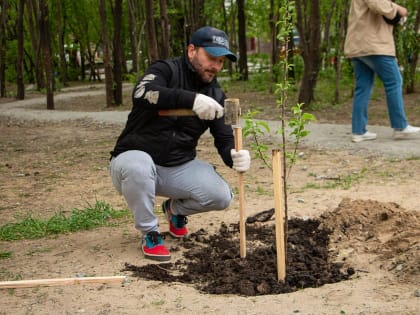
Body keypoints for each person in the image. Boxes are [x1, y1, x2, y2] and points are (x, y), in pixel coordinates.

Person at [109, 26, 251, 261]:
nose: (215, 66)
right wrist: (191, 100)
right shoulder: (165, 70)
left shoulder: (217, 96)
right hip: (131, 163)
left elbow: (225, 138)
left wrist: (235, 155)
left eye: (221, 61)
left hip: (176, 167)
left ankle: (174, 210)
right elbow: (141, 92)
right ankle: (150, 232)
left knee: (221, 195)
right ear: (192, 50)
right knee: (139, 166)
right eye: (211, 58)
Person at [344, 0, 420, 143]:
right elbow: (378, 4)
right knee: (394, 81)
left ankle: (358, 131)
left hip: (357, 46)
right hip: (374, 44)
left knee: (363, 87)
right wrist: (399, 9)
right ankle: (400, 127)